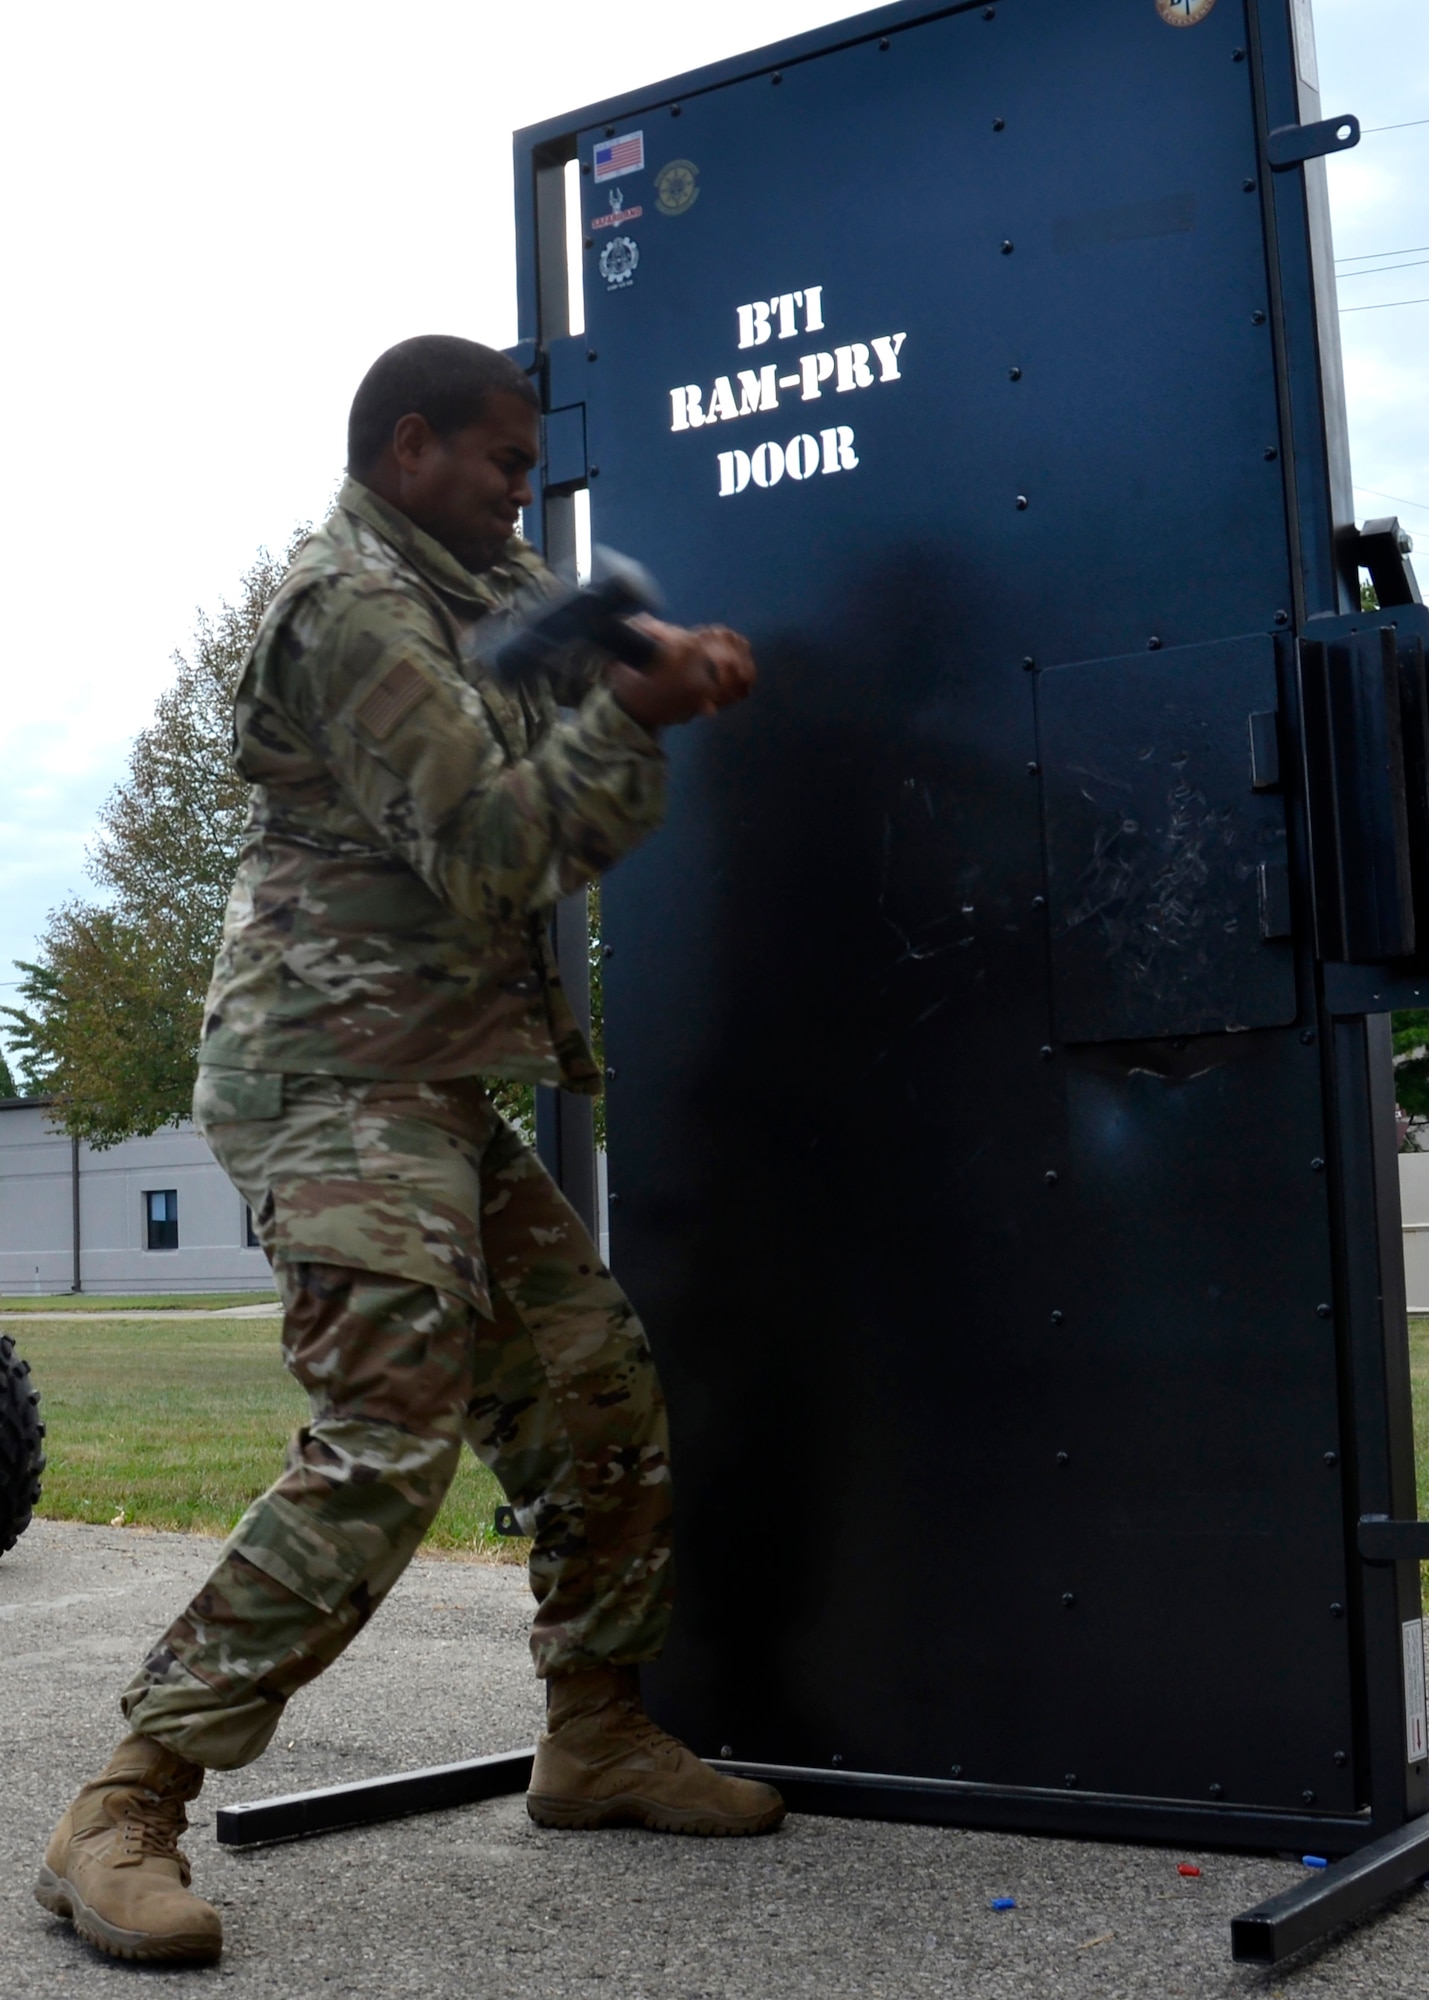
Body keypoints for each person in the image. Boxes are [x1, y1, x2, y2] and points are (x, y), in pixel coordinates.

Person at [36, 335, 780, 1967]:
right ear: (408, 447)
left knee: (594, 1384)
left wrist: (654, 647)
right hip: (322, 1068)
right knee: (388, 1429)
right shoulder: (347, 608)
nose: (529, 491)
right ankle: (123, 1804)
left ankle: (592, 1734)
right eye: (506, 460)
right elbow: (491, 847)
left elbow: (578, 623)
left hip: (429, 1077)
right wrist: (640, 718)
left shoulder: (475, 564)